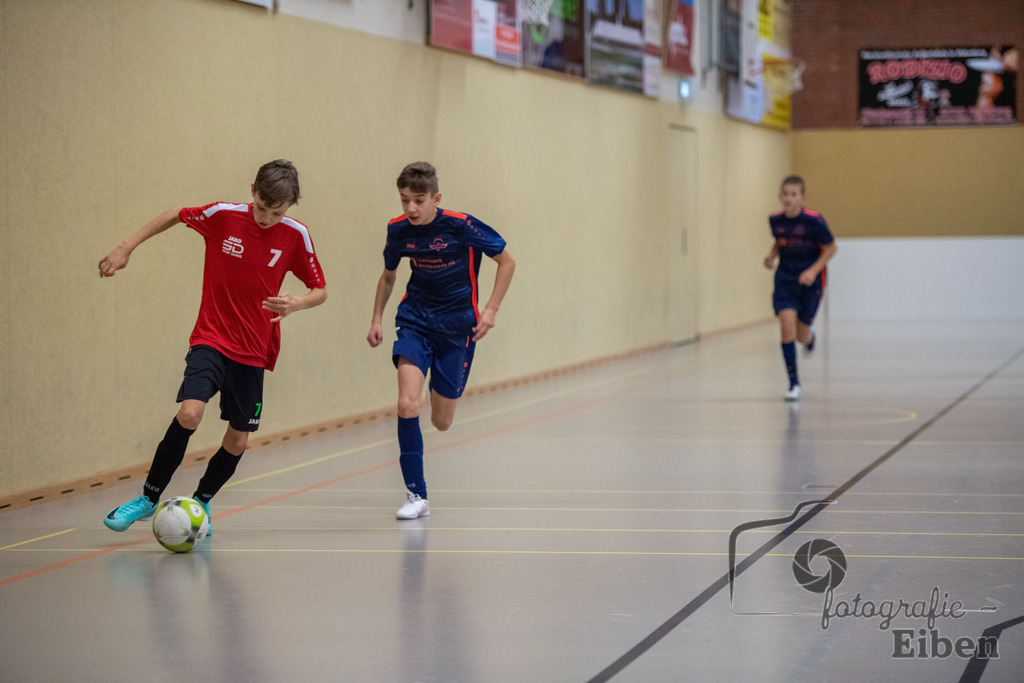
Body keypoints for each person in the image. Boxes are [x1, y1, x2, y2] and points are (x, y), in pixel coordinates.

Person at [98, 159, 327, 532]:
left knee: (238, 439)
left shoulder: (296, 235)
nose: (266, 218)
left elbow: (321, 290)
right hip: (212, 337)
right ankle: (147, 498)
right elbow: (174, 214)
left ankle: (200, 503)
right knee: (190, 413)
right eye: (261, 208)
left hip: (253, 350)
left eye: (277, 212)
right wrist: (126, 248)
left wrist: (296, 303)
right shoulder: (223, 216)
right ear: (252, 190)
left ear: (289, 207)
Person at [367, 162, 515, 519]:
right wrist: (376, 318)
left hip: (458, 327)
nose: (411, 209)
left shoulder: (460, 226)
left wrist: (490, 310)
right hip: (415, 320)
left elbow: (506, 261)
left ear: (436, 198)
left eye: (418, 200)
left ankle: (442, 380)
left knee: (442, 421)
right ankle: (416, 496)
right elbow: (389, 277)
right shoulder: (398, 230)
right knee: (406, 404)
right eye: (404, 200)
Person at [763, 175, 836, 401]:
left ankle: (810, 337)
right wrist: (772, 255)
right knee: (787, 329)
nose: (788, 198)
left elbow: (831, 248)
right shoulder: (775, 220)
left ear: (802, 197)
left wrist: (813, 271)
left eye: (793, 194)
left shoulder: (814, 220)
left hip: (810, 281)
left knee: (801, 335)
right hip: (785, 279)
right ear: (779, 196)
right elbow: (780, 240)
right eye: (785, 194)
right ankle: (793, 383)